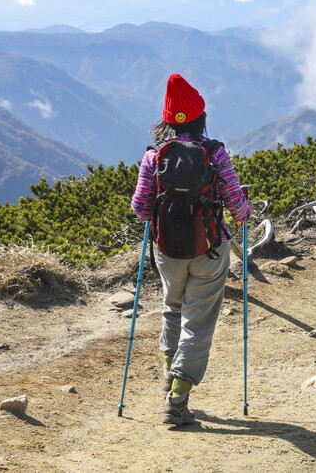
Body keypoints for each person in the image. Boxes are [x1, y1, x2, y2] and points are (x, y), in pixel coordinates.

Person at [130, 74, 252, 425]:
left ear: (167, 120)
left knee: (172, 309)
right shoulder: (214, 152)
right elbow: (237, 207)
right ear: (200, 116)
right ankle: (178, 400)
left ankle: (171, 376)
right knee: (198, 322)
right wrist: (245, 207)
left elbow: (140, 208)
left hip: (167, 251)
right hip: (209, 250)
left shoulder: (154, 156)